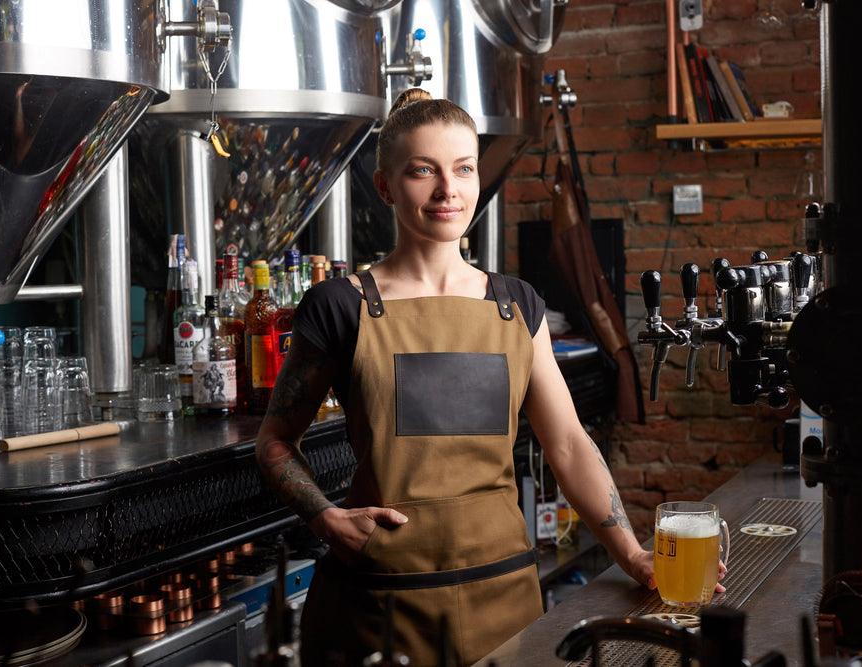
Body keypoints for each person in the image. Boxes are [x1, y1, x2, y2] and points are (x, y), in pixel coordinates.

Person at [254, 88, 723, 666]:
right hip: (379, 606)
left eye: (464, 169)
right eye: (422, 171)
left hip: (505, 599)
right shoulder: (339, 307)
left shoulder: (516, 304)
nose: (448, 190)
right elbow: (274, 443)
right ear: (384, 187)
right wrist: (325, 518)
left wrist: (632, 555)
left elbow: (570, 445)